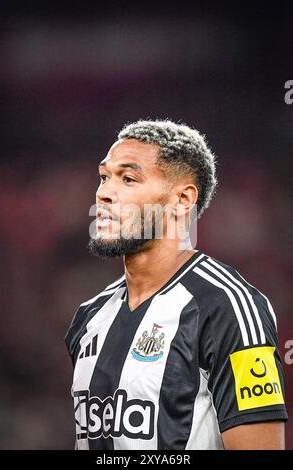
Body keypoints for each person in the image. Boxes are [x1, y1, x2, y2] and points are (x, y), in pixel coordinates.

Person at [65, 119, 288, 450]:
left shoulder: (229, 307)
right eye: (104, 177)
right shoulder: (89, 317)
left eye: (127, 179)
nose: (104, 193)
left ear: (182, 199)